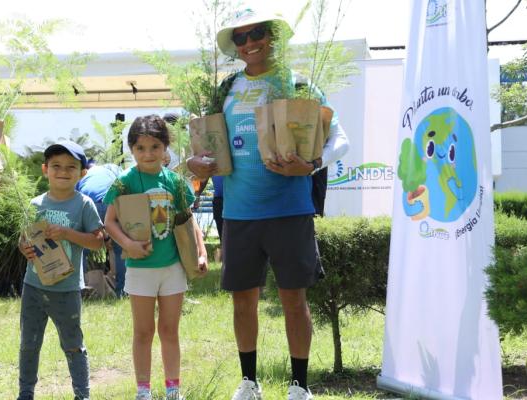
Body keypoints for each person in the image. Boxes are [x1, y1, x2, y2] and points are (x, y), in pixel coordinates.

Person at [187, 8, 349, 400]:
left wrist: (310, 165)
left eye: (256, 33)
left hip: (289, 212)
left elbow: (341, 140)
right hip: (238, 214)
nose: (249, 44)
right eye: (240, 38)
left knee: (294, 298)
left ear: (273, 36)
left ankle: (300, 385)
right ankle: (249, 382)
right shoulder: (223, 89)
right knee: (243, 301)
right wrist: (193, 163)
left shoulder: (297, 83)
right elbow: (204, 148)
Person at [104, 115, 208, 400]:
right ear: (131, 150)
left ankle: (173, 389)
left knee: (169, 330)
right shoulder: (125, 182)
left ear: (166, 148)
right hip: (140, 270)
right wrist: (129, 245)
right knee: (143, 331)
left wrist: (201, 252)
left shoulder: (175, 182)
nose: (148, 154)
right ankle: (143, 391)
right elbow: (109, 222)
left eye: (154, 147)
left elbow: (189, 221)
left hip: (173, 267)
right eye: (140, 148)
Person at [17, 140, 104, 400]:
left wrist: (67, 233)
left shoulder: (84, 204)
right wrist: (25, 249)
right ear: (45, 169)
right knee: (29, 345)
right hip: (33, 286)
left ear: (82, 173)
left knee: (73, 345)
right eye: (56, 166)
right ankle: (25, 394)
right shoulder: (35, 204)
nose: (63, 172)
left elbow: (98, 240)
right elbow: (24, 240)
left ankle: (82, 395)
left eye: (70, 167)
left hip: (66, 290)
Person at [76, 162, 126, 296]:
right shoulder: (112, 167)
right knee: (120, 248)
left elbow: (75, 197)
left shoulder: (83, 175)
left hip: (89, 203)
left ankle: (78, 289)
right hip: (113, 203)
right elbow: (124, 183)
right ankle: (122, 291)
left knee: (81, 248)